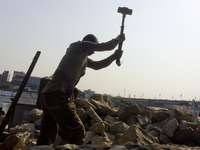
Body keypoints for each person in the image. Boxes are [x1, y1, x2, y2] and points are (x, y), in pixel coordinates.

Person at [36, 33, 125, 146]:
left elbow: (98, 65)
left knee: (47, 132)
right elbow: (104, 46)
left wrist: (113, 57)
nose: (93, 52)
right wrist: (118, 39)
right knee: (77, 130)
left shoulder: (83, 58)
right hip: (57, 93)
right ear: (89, 43)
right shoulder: (78, 46)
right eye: (93, 48)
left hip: (50, 94)